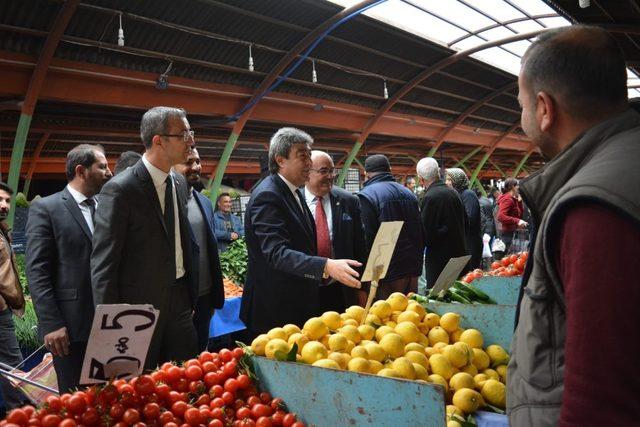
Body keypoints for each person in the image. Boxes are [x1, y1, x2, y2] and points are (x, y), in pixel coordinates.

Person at [508, 26, 640, 426]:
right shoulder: (625, 161)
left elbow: (601, 401)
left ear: (545, 110)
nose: (521, 117)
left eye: (522, 105)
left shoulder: (593, 206)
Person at [91, 106, 198, 369]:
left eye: (190, 132)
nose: (191, 141)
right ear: (158, 141)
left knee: (187, 381)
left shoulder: (179, 183)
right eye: (183, 134)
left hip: (180, 302)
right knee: (138, 389)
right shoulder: (121, 189)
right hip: (136, 311)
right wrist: (111, 325)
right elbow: (104, 264)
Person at [240, 128, 361, 337]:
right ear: (280, 160)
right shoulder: (268, 195)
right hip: (275, 310)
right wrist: (325, 265)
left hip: (297, 304)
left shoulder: (293, 191)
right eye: (302, 156)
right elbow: (276, 253)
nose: (309, 163)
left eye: (309, 155)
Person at [26, 144, 112, 392]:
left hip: (110, 324)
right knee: (76, 399)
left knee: (111, 398)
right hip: (71, 329)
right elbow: (37, 271)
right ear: (81, 171)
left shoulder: (107, 208)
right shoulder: (47, 208)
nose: (109, 172)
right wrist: (52, 324)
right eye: (102, 166)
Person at [173, 148, 225, 351]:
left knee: (201, 355)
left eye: (198, 161)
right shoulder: (166, 203)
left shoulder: (203, 201)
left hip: (205, 298)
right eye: (188, 162)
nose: (195, 167)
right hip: (181, 301)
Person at [302, 151, 367, 311]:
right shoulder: (293, 201)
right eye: (324, 171)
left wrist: (362, 288)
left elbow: (360, 247)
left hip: (341, 289)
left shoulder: (349, 201)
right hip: (305, 290)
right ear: (307, 172)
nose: (330, 176)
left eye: (332, 171)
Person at [357, 154, 423, 299]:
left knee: (386, 317)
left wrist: (365, 279)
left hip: (385, 273)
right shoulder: (409, 194)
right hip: (412, 267)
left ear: (366, 173)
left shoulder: (367, 196)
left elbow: (367, 238)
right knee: (411, 316)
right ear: (389, 170)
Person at [416, 158, 467, 288]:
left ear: (421, 179)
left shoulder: (430, 197)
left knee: (439, 299)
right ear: (438, 172)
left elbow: (427, 233)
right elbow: (465, 222)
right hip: (459, 254)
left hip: (439, 261)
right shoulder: (454, 193)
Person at [0, 182, 28, 411]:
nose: (4, 205)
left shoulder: (3, 230)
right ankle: (19, 414)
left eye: (7, 201)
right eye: (0, 200)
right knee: (12, 366)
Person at [446, 168, 482, 271]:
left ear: (457, 180)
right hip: (464, 242)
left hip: (471, 243)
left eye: (449, 179)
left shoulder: (468, 195)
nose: (446, 182)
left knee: (470, 275)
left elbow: (470, 219)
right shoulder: (457, 195)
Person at [496, 177, 527, 254]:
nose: (519, 188)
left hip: (512, 233)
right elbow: (500, 216)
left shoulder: (513, 199)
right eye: (517, 186)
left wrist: (519, 202)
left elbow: (519, 216)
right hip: (507, 235)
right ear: (513, 187)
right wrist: (517, 221)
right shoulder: (508, 199)